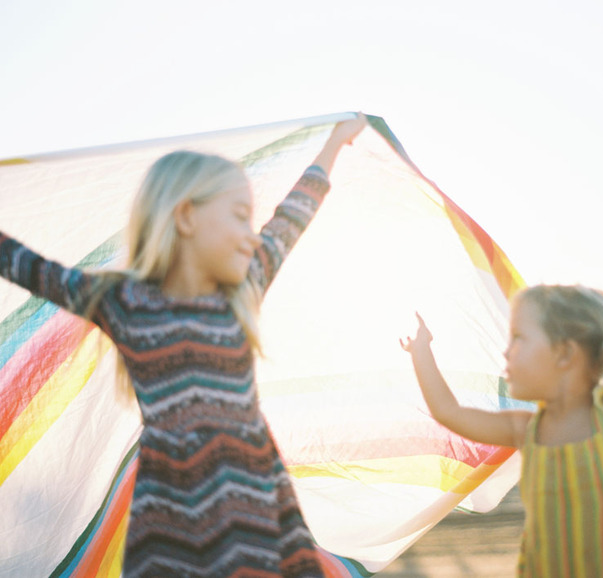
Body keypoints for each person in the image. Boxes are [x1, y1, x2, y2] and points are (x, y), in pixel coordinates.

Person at [0, 113, 367, 578]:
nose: (252, 233)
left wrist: (335, 144)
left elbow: (291, 218)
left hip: (253, 492)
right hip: (175, 505)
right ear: (187, 216)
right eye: (238, 216)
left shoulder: (240, 295)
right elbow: (26, 265)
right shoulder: (121, 301)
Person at [400, 284, 603, 577]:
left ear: (565, 353)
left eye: (519, 338)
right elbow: (449, 412)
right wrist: (421, 352)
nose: (506, 352)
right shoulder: (524, 429)